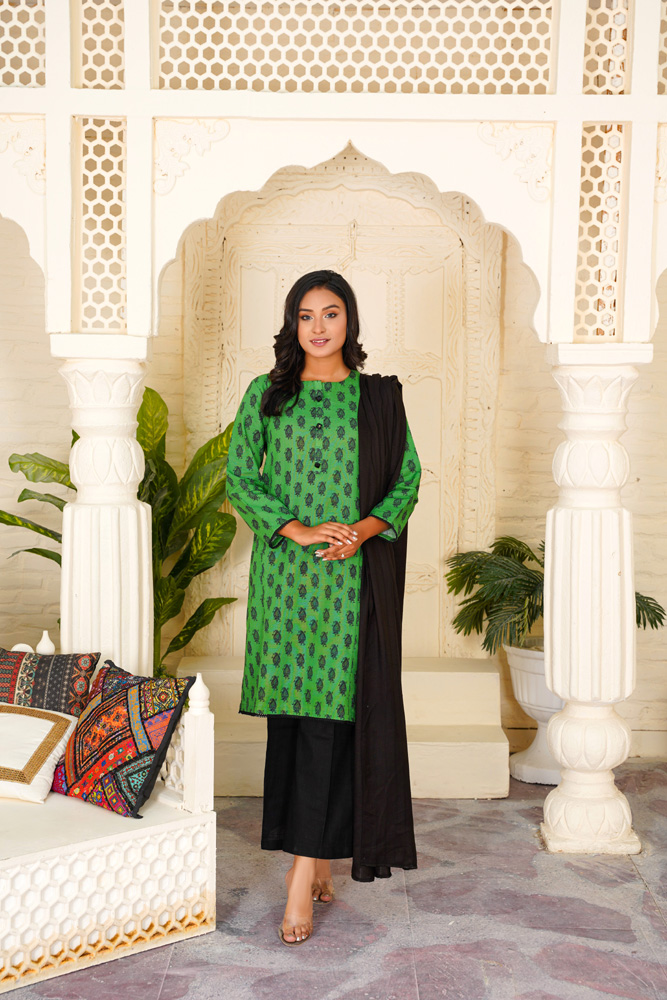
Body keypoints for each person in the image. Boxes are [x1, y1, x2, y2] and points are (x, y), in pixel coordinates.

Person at [226, 269, 421, 946]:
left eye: (330, 313)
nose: (317, 327)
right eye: (305, 315)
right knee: (296, 725)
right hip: (286, 584)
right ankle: (313, 858)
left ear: (350, 321)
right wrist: (299, 530)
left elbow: (406, 480)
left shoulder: (376, 398)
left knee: (334, 726)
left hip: (349, 587)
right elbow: (240, 477)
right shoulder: (267, 394)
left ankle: (302, 872)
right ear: (292, 324)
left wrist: (359, 533)